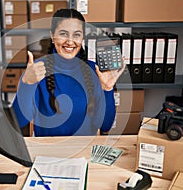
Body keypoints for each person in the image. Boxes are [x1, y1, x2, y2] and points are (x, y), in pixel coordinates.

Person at [13, 8, 125, 136]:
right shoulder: (37, 72)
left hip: (84, 151)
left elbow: (105, 126)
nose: (70, 41)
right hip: (47, 152)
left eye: (76, 34)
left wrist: (107, 89)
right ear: (52, 36)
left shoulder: (95, 71)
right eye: (63, 34)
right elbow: (18, 122)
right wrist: (26, 84)